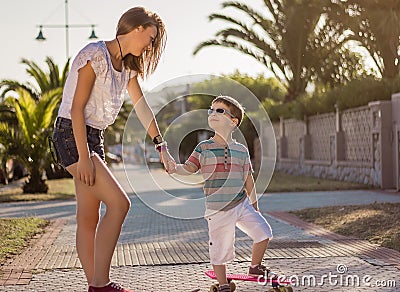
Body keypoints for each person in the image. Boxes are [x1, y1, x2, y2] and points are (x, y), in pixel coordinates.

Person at [51, 7, 175, 292]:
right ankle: (101, 284)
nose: (150, 45)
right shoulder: (95, 54)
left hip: (94, 137)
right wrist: (83, 156)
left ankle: (94, 285)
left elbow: (142, 108)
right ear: (137, 29)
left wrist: (162, 147)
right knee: (120, 204)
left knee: (88, 216)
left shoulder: (128, 68)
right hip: (72, 134)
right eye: (151, 37)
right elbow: (76, 109)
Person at [172, 96, 273, 292]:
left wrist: (254, 204)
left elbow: (248, 179)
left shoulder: (241, 150)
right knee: (220, 249)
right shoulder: (203, 147)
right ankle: (224, 284)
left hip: (241, 203)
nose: (212, 113)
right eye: (211, 110)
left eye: (220, 110)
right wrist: (174, 168)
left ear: (233, 121)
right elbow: (189, 168)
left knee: (264, 232)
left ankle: (255, 267)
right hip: (217, 209)